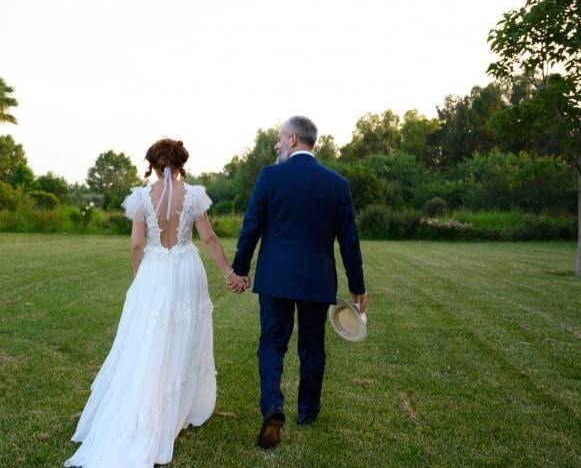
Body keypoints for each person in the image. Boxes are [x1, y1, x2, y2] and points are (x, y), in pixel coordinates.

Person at [65, 138, 245, 468]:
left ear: (152, 163)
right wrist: (229, 272)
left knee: (146, 340)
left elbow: (136, 245)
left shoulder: (140, 198)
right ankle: (176, 408)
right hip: (186, 269)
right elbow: (208, 238)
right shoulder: (193, 195)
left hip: (154, 271)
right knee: (181, 338)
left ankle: (147, 406)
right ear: (181, 164)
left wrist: (140, 279)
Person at [231, 115, 368, 449]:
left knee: (272, 342)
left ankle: (273, 405)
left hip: (276, 276)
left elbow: (251, 227)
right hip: (316, 279)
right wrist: (357, 285)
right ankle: (307, 410)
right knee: (312, 346)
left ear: (292, 139)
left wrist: (240, 268)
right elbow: (349, 240)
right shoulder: (337, 184)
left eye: (279, 138)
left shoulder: (270, 176)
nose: (276, 144)